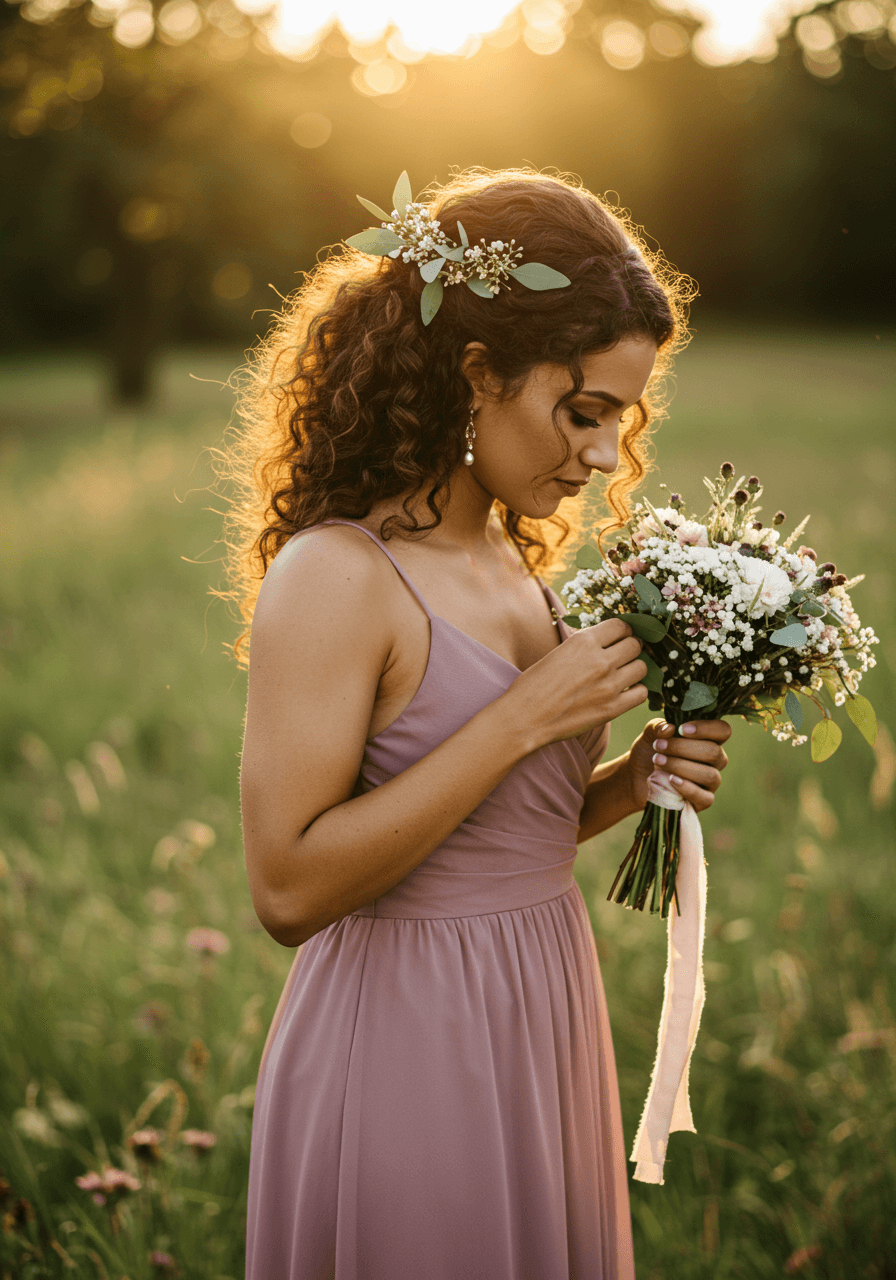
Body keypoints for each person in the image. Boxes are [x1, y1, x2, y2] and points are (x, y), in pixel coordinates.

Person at [222, 166, 731, 1279]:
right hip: (408, 1033)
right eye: (582, 410)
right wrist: (519, 719)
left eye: (620, 419)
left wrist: (630, 776)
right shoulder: (337, 574)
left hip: (540, 1004)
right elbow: (287, 888)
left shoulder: (510, 559)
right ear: (472, 373)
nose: (602, 455)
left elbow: (506, 832)